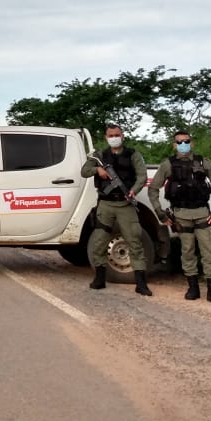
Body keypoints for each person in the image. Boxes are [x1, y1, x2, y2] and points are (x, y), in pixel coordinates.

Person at [148, 129, 211, 304]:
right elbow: (153, 188)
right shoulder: (168, 165)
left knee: (209, 253)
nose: (182, 145)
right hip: (181, 216)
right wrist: (160, 213)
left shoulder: (202, 162)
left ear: (191, 143)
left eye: (186, 141)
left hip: (203, 214)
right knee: (187, 252)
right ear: (174, 145)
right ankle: (193, 288)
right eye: (179, 142)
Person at [81, 123, 153, 296]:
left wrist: (133, 190)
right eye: (111, 135)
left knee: (134, 242)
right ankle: (99, 278)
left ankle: (141, 283)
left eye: (117, 135)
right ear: (107, 137)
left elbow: (142, 176)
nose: (114, 138)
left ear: (122, 136)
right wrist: (98, 170)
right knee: (99, 241)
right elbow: (84, 171)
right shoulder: (99, 155)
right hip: (105, 204)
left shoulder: (133, 155)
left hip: (125, 204)